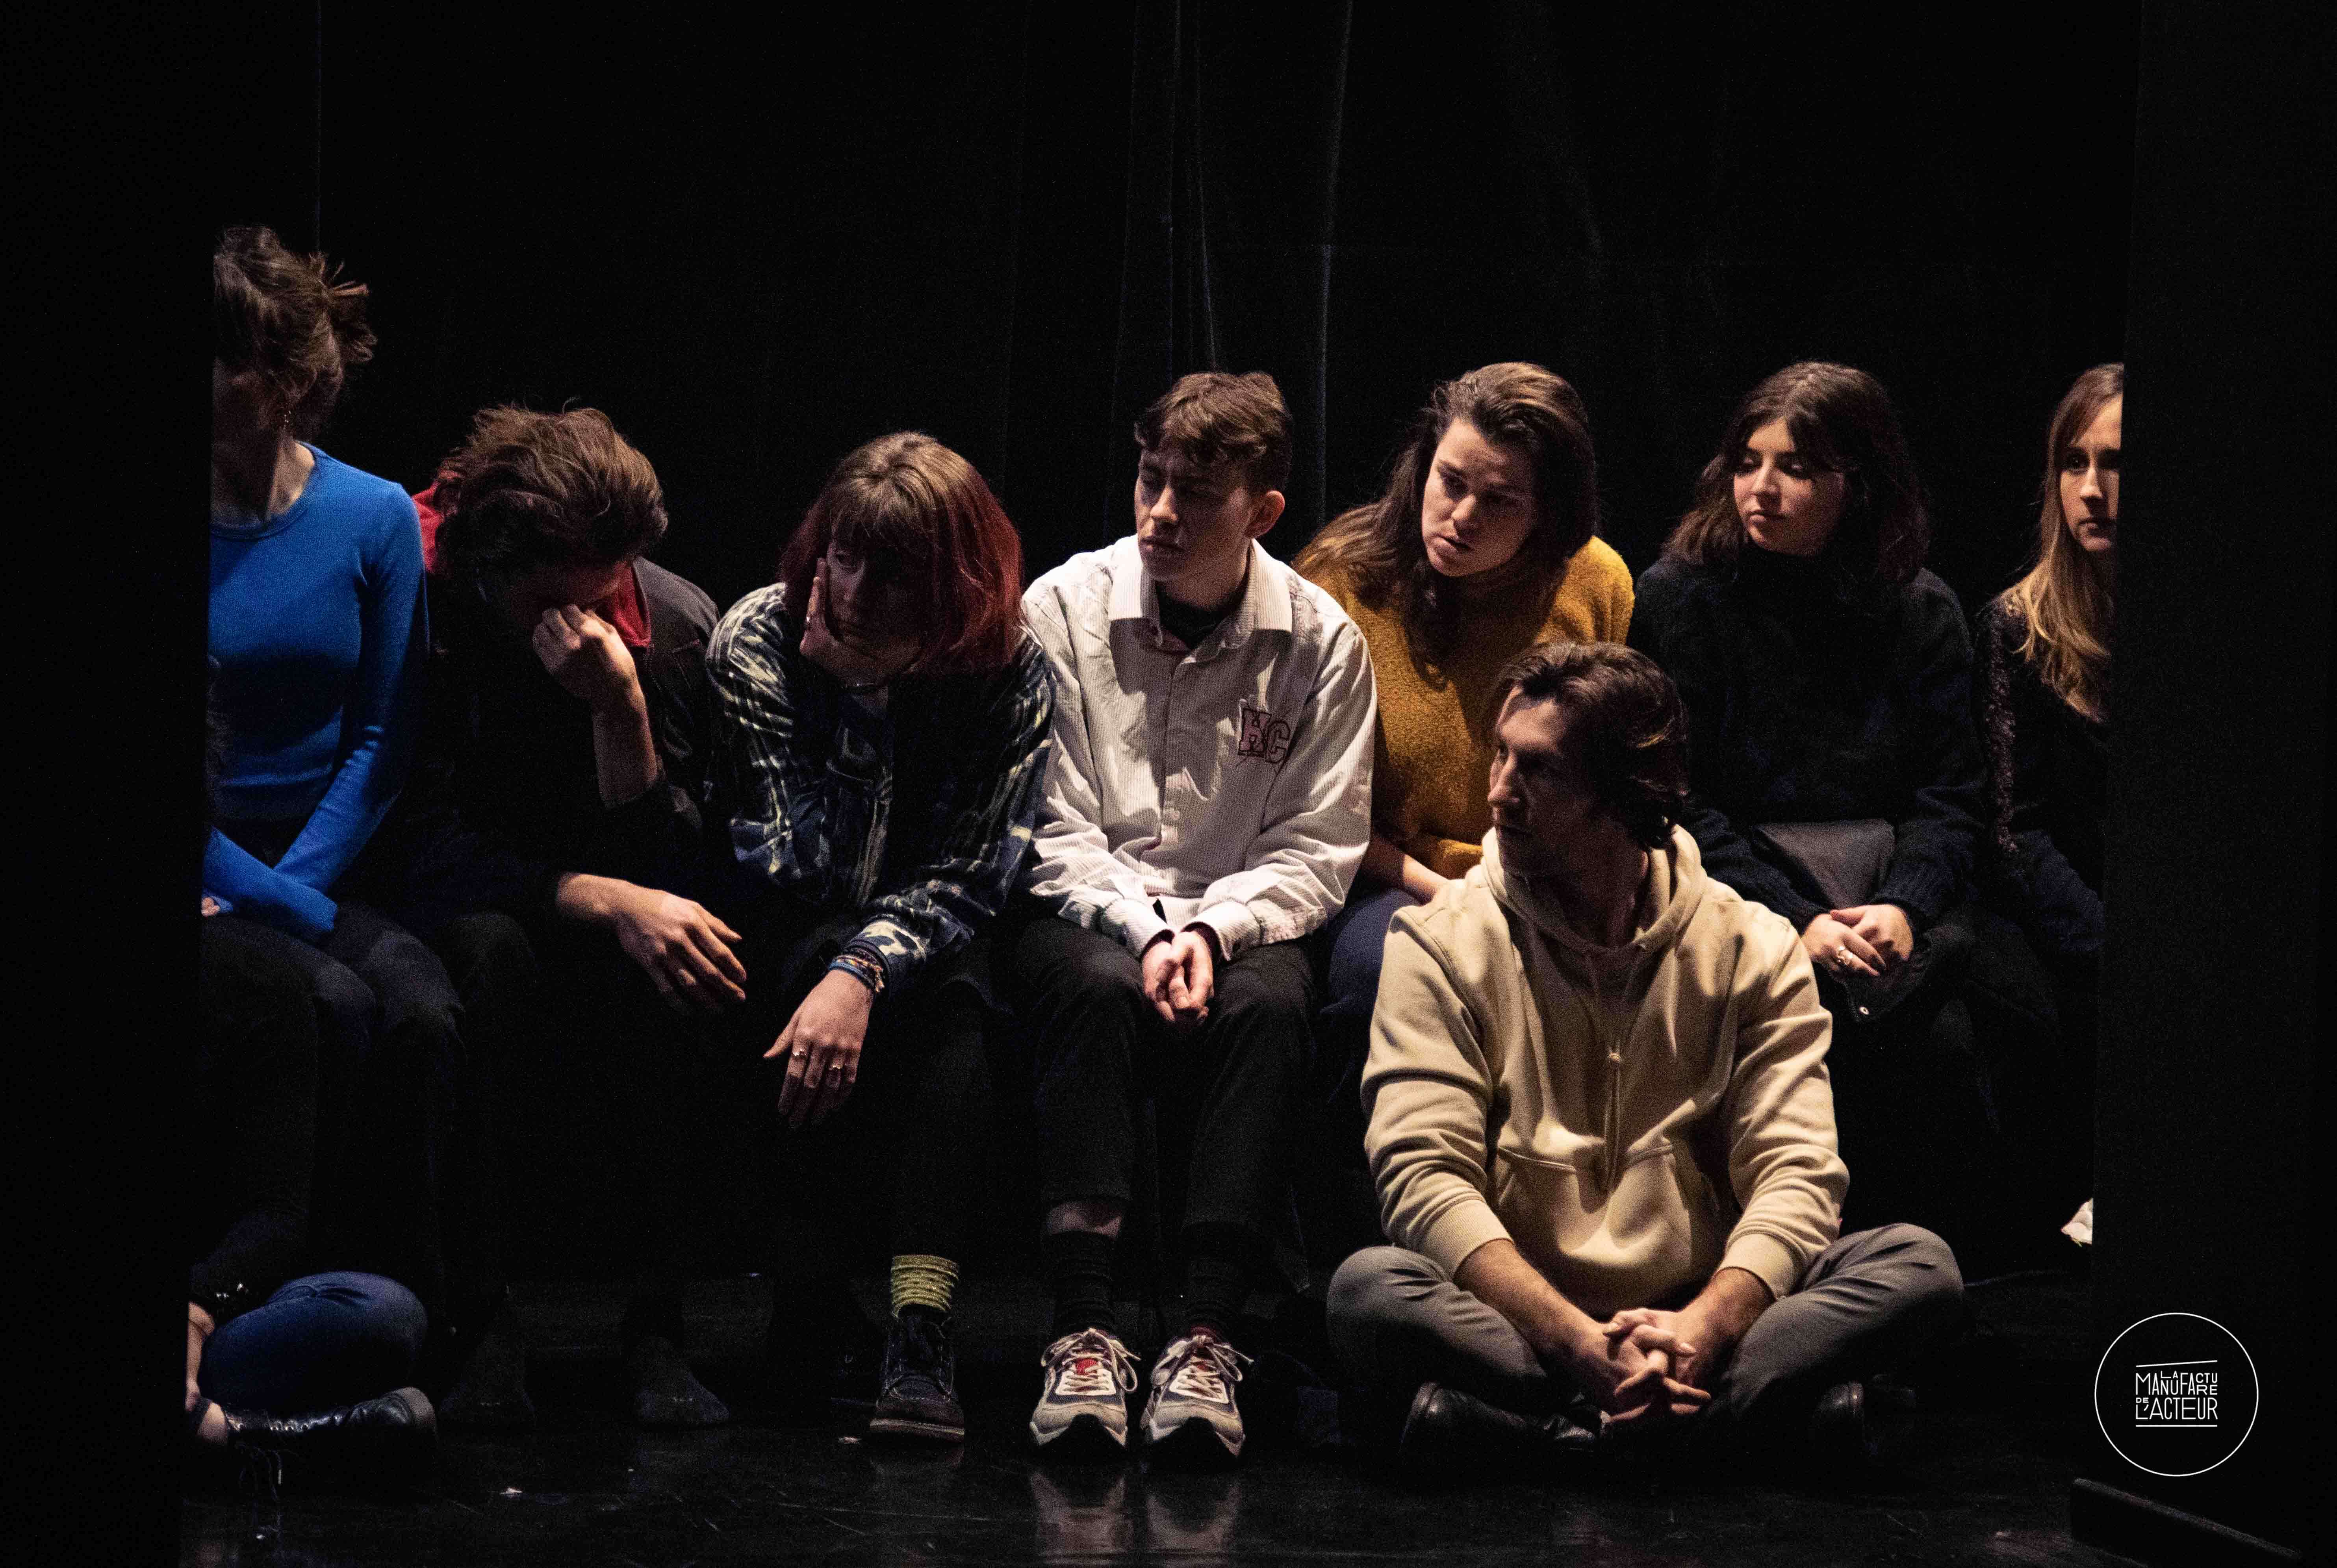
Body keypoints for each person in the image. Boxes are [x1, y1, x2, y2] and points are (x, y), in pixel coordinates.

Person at [1326, 642, 1962, 1479]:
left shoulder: (1752, 947)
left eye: (1540, 770)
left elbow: (1798, 1176)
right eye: (1501, 754)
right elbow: (1423, 1178)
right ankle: (1734, 1431)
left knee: (1920, 1267)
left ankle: (1555, 1437)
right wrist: (1577, 1343)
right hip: (1527, 1318)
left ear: (1626, 799)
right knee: (1369, 1289)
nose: (1498, 791)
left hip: (1704, 1310)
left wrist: (1698, 1332)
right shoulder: (1439, 944)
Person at [1013, 371, 1377, 1463]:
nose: (1160, 512)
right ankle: (1083, 1329)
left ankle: (1207, 1334)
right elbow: (1050, 821)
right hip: (1092, 906)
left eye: (1196, 495)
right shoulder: (1061, 609)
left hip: (1241, 921)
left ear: (1262, 512)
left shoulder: (1319, 643)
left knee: (1270, 1009)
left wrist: (1212, 931)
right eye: (1150, 479)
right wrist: (1147, 929)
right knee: (1086, 983)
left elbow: (1316, 844)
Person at [364, 405, 736, 1427]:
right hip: (475, 897)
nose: (583, 623)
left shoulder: (668, 626)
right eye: (551, 601)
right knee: (485, 960)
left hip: (612, 894)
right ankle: (483, 1319)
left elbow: (669, 859)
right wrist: (599, 896)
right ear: (490, 572)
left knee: (685, 961)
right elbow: (414, 836)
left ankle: (656, 1321)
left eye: (603, 595)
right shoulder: (424, 610)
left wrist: (620, 709)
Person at [709, 432, 1054, 1445]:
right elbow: (797, 866)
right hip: (790, 926)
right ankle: (808, 1304)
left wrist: (865, 967)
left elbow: (982, 867)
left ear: (950, 582)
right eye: (843, 556)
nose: (853, 590)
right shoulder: (761, 643)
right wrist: (859, 696)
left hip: (937, 933)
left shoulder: (1010, 670)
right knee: (804, 972)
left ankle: (919, 1322)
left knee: (955, 1011)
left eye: (891, 571)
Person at [1626, 362, 2001, 1262]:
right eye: (1749, 461)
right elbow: (1680, 798)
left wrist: (1906, 905)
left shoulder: (1919, 608)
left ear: (1856, 483)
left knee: (1946, 1039)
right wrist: (1795, 920)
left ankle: (1898, 1276)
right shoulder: (1683, 597)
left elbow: (1952, 795)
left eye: (1794, 466)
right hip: (1735, 888)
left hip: (1883, 897)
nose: (1762, 487)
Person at [204, 226, 474, 1360]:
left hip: (312, 862)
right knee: (329, 1004)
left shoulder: (367, 518)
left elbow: (380, 734)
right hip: (205, 859)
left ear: (290, 379)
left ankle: (410, 1316)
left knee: (422, 1005)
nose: (213, 381)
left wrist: (287, 890)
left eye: (232, 359)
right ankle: (269, 1294)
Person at [1294, 362, 1633, 1251]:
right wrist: (1441, 890)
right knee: (1386, 974)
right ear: (1423, 463)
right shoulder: (1341, 579)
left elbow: (1613, 772)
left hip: (1542, 873)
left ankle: (1570, 1257)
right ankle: (1367, 1260)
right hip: (1387, 876)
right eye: (1451, 482)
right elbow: (1307, 804)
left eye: (1501, 500)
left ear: (1550, 511)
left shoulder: (1594, 583)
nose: (1462, 517)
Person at [1977, 364, 2122, 1227]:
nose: (2094, 490)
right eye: (2075, 463)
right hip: (2061, 923)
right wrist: (2110, 944)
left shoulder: (2219, 629)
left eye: (2118, 463)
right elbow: (2011, 829)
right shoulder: (2016, 625)